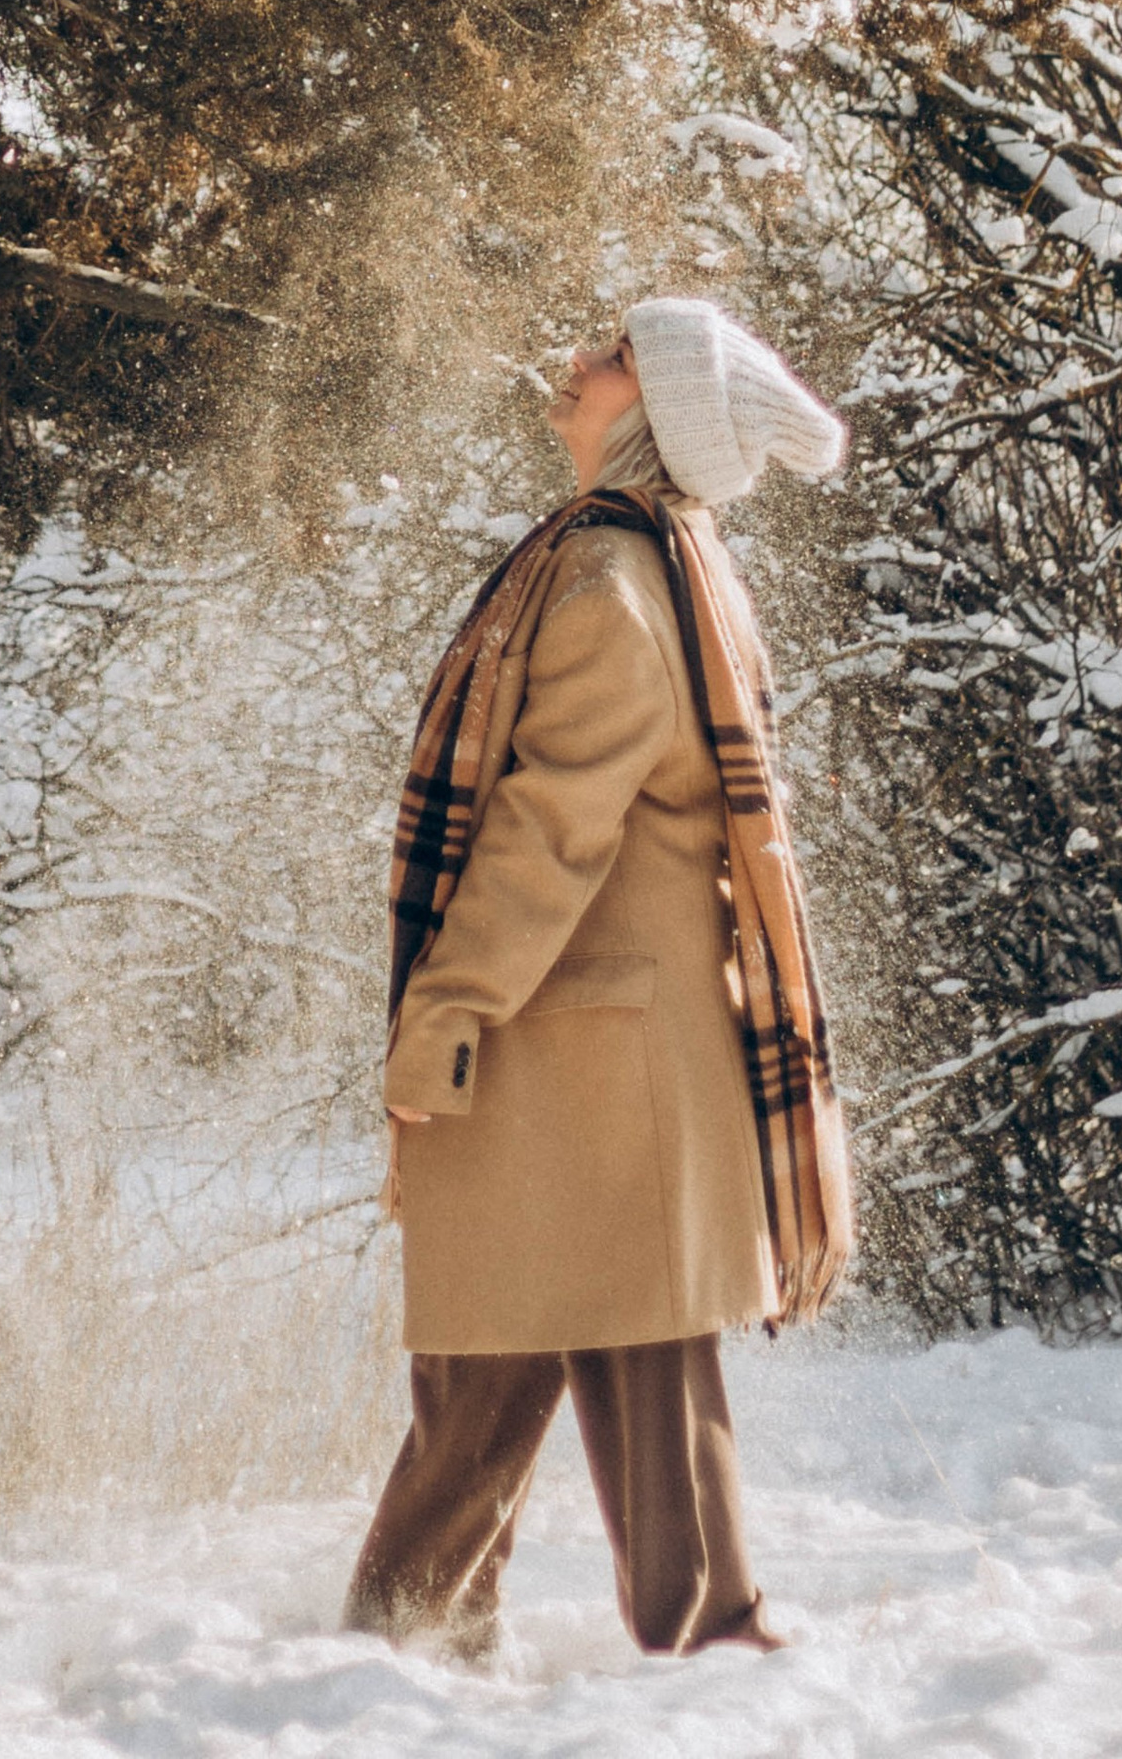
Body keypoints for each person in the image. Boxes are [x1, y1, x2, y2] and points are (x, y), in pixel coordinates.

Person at [341, 294, 851, 1665]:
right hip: (607, 1050)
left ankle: (417, 1646)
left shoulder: (613, 585)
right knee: (593, 1350)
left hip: (577, 1047)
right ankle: (473, 1641)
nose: (579, 363)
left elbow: (547, 831)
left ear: (654, 413)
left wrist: (444, 1013)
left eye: (616, 357)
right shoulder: (665, 565)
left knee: (539, 1349)